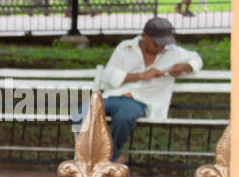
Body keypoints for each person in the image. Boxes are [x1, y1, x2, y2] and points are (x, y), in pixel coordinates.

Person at [69, 17, 201, 163]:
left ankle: (107, 157)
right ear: (144, 36)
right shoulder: (125, 48)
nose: (161, 47)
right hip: (113, 96)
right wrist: (140, 75)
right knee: (81, 115)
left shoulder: (173, 53)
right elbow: (109, 75)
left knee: (124, 117)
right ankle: (103, 157)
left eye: (164, 43)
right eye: (157, 43)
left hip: (140, 101)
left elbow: (196, 60)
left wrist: (184, 67)